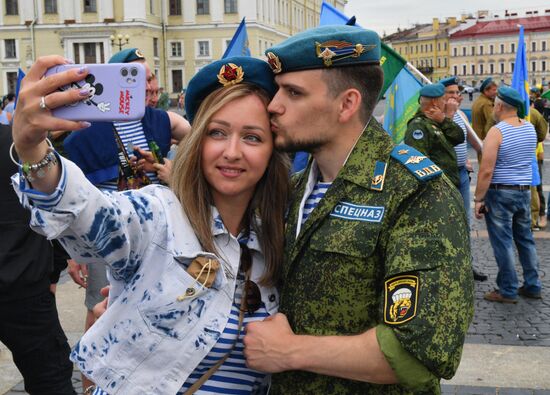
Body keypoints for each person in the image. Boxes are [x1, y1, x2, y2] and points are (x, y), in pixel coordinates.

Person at [11, 55, 289, 394]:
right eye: (217, 132)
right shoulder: (159, 213)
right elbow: (92, 214)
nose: (232, 151)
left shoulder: (281, 237)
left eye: (252, 137)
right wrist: (32, 149)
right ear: (196, 141)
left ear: (272, 148)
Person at [244, 25, 474, 394]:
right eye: (277, 90)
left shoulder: (415, 192)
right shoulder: (293, 189)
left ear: (347, 104)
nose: (273, 106)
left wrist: (290, 352)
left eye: (293, 93)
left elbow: (418, 353)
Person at [1, 125, 75, 395]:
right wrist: (53, 271)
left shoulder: (21, 141)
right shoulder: (21, 141)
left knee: (50, 377)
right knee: (50, 378)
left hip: (26, 285)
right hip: (26, 283)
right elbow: (56, 206)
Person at [474, 86, 542, 303]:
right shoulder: (529, 128)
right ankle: (532, 285)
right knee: (525, 240)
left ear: (501, 106)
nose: (494, 108)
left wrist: (478, 199)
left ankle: (508, 290)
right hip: (523, 191)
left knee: (503, 242)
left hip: (500, 193)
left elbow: (486, 170)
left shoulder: (497, 131)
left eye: (495, 105)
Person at [440, 76, 487, 281]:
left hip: (461, 175)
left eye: (458, 93)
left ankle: (466, 265)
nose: (457, 97)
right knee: (445, 223)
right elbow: (439, 144)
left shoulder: (460, 114)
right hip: (444, 177)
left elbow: (478, 145)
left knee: (465, 222)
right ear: (441, 96)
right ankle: (446, 268)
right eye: (451, 93)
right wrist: (448, 116)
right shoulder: (437, 116)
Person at [404, 83, 465, 188]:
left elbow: (459, 138)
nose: (445, 103)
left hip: (448, 186)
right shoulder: (418, 126)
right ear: (434, 102)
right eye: (443, 99)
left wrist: (444, 120)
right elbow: (419, 163)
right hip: (437, 189)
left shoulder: (437, 120)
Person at [471, 77, 497, 141]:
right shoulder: (487, 103)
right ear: (486, 91)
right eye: (494, 90)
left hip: (478, 137)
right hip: (484, 138)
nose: (496, 92)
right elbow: (491, 122)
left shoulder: (479, 100)